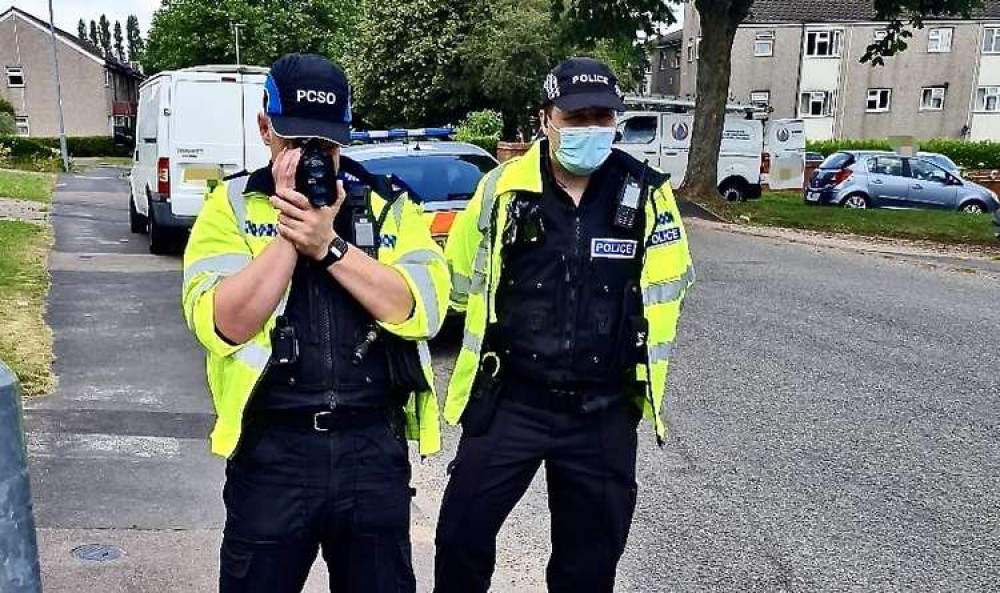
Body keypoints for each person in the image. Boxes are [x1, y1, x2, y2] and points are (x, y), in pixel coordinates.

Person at [181, 53, 449, 593]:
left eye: (324, 145)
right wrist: (288, 233)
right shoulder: (230, 206)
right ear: (265, 129)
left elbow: (421, 308)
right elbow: (223, 323)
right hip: (273, 455)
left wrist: (328, 245)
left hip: (370, 452)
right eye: (297, 143)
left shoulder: (386, 204)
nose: (313, 159)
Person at [434, 57, 695, 593]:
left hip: (601, 410)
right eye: (575, 117)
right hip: (512, 399)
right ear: (545, 119)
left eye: (602, 117)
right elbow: (458, 281)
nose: (590, 129)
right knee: (460, 539)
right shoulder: (501, 190)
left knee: (589, 565)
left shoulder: (645, 192)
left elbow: (672, 282)